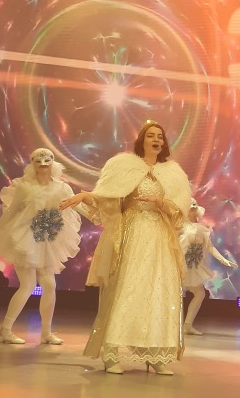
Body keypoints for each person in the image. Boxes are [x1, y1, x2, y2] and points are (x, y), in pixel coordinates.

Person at [61, 121, 191, 374]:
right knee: (127, 288)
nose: (156, 140)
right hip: (132, 233)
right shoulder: (124, 165)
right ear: (142, 140)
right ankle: (111, 353)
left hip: (160, 237)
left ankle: (156, 354)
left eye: (160, 136)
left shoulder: (173, 172)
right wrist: (85, 196)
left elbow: (179, 212)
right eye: (151, 136)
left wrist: (160, 202)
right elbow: (107, 199)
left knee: (158, 292)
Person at [0, 148, 82, 345]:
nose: (43, 164)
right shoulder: (26, 187)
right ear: (32, 164)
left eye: (47, 161)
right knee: (28, 285)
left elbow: (78, 206)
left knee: (50, 285)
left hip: (47, 239)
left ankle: (46, 333)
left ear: (53, 163)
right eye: (38, 161)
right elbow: (10, 213)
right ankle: (5, 331)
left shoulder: (62, 188)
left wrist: (102, 217)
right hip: (26, 239)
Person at [180, 200, 238, 335]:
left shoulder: (201, 229)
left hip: (193, 266)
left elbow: (210, 247)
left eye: (194, 207)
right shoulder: (180, 226)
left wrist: (224, 260)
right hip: (180, 264)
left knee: (199, 294)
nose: (192, 209)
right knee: (176, 295)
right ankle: (173, 326)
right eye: (190, 207)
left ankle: (187, 325)